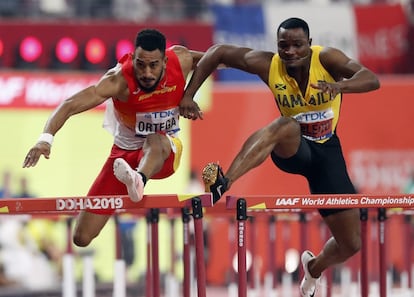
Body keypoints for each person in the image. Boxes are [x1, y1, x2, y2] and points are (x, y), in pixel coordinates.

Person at [180, 17, 380, 297]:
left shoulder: (327, 59)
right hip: (294, 148)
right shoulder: (268, 64)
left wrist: (339, 87)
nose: (290, 51)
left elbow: (371, 79)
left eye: (297, 45)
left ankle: (314, 267)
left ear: (309, 45)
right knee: (284, 125)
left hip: (326, 152)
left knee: (351, 244)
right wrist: (189, 94)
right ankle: (225, 182)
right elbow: (218, 52)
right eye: (283, 45)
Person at [22, 29, 204, 247]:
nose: (147, 73)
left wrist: (190, 94)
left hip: (163, 152)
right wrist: (45, 138)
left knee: (154, 139)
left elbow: (215, 58)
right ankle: (133, 178)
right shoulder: (117, 81)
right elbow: (69, 104)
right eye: (140, 65)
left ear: (164, 61)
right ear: (133, 60)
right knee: (81, 237)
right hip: (122, 159)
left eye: (153, 65)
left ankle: (139, 180)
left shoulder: (181, 59)